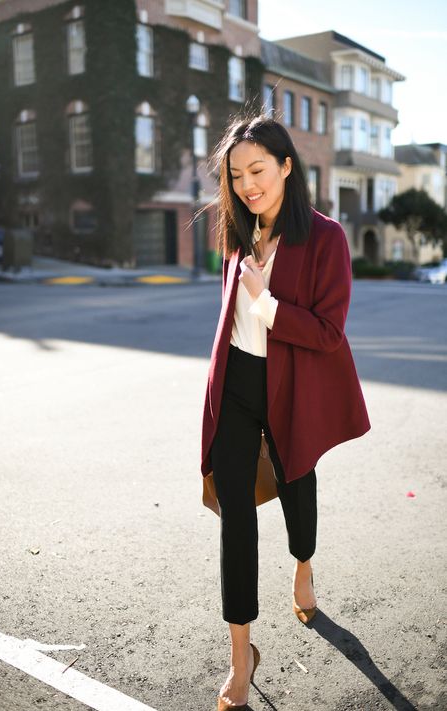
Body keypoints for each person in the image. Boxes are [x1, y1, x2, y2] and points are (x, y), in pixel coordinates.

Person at [200, 115, 371, 711]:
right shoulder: (236, 233)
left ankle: (303, 565)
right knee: (235, 516)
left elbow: (329, 332)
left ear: (286, 167)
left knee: (298, 482)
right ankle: (240, 654)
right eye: (237, 174)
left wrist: (266, 304)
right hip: (238, 385)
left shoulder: (326, 237)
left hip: (292, 383)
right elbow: (229, 319)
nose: (248, 185)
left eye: (258, 171)